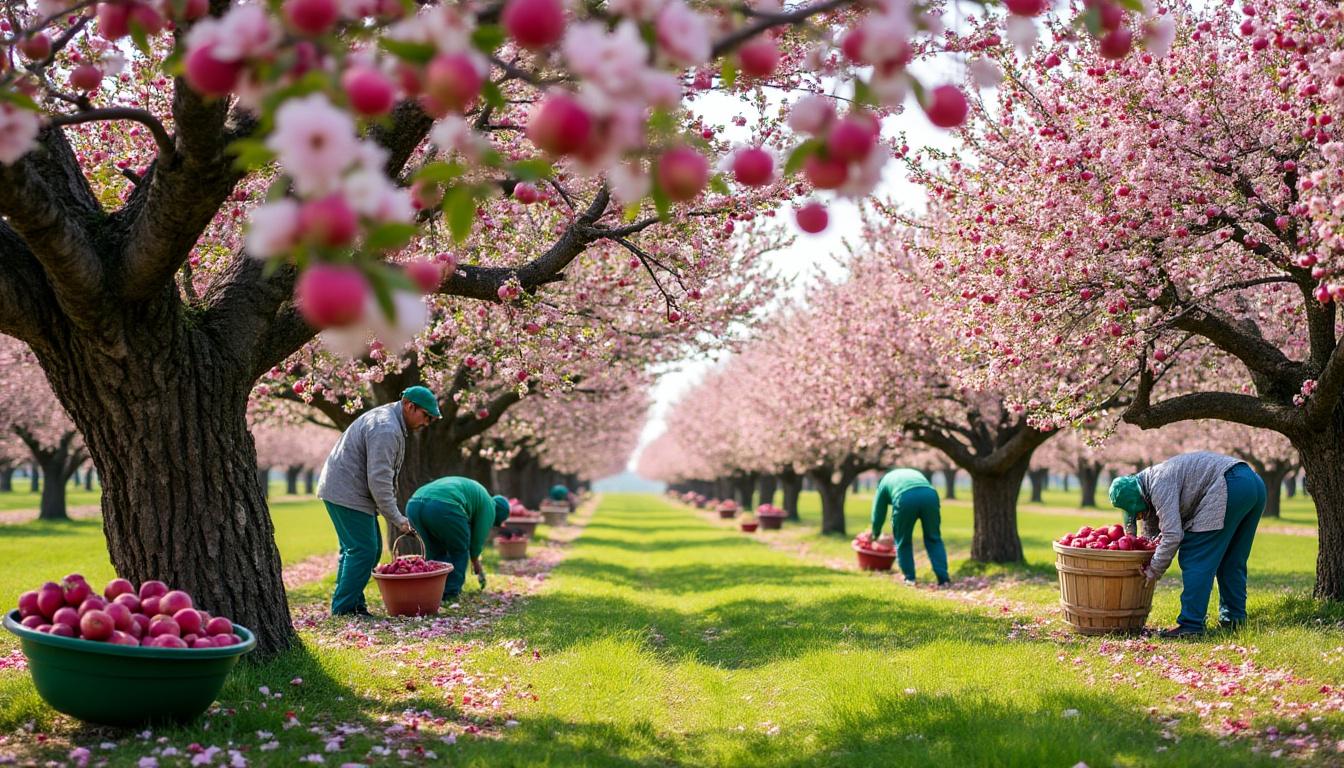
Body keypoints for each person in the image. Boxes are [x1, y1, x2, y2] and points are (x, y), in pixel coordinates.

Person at [1108, 451, 1266, 638]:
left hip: (1227, 485)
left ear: (1140, 498)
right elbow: (1151, 530)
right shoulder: (1148, 482)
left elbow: (1173, 534)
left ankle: (1191, 625)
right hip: (1252, 482)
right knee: (1231, 560)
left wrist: (1154, 570)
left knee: (1195, 554)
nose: (1139, 516)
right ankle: (1234, 620)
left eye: (1137, 512)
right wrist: (1141, 549)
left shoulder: (1159, 483)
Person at [316, 386, 440, 616]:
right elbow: (379, 478)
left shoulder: (390, 421)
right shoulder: (386, 428)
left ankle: (352, 604)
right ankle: (344, 609)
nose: (426, 423)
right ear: (409, 405)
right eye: (426, 416)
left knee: (361, 550)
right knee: (363, 550)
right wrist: (396, 518)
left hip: (346, 490)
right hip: (347, 492)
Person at [406, 476, 511, 600]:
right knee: (459, 550)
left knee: (433, 551)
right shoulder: (490, 506)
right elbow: (476, 540)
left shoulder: (478, 492)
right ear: (499, 515)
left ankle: (432, 591)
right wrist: (475, 560)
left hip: (414, 503)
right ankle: (450, 593)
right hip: (443, 506)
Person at [869, 468, 949, 585]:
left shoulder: (883, 483)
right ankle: (944, 579)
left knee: (903, 540)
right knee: (933, 538)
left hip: (904, 498)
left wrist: (875, 533)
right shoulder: (913, 473)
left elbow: (878, 513)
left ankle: (910, 578)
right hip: (930, 495)